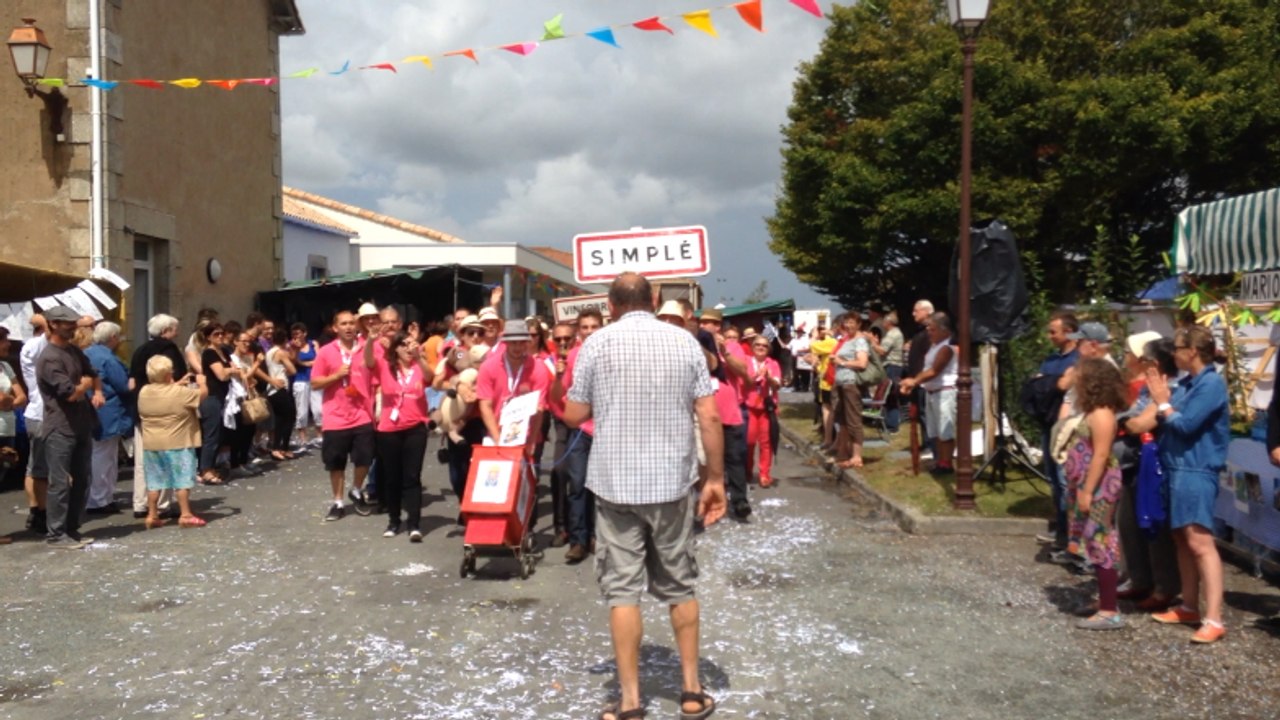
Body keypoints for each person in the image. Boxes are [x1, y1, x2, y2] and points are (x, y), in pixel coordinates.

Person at [564, 272, 725, 720]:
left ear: (611, 305)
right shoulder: (685, 342)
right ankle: (691, 691)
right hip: (670, 483)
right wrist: (715, 478)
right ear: (653, 300)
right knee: (679, 584)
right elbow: (709, 416)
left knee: (623, 592)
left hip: (616, 484)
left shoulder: (595, 345)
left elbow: (574, 412)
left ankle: (631, 701)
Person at [1144, 326, 1230, 644]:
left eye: (1178, 347)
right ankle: (1190, 605)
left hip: (1196, 469)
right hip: (1177, 468)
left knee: (1200, 541)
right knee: (1182, 538)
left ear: (1192, 351)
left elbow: (1185, 424)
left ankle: (1215, 618)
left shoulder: (1210, 385)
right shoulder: (1188, 383)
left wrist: (1163, 404)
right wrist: (1165, 404)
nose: (1174, 353)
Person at [1117, 335, 1182, 611]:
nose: (1138, 363)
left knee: (1154, 526)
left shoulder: (1170, 387)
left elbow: (1142, 421)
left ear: (1154, 363)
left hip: (1154, 465)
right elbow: (1132, 417)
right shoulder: (1147, 389)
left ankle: (1163, 587)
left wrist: (1127, 422)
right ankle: (1139, 578)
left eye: (1143, 359)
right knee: (1129, 524)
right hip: (1134, 464)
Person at [1064, 358, 1129, 630]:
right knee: (1091, 541)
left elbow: (1101, 454)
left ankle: (1109, 609)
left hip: (1100, 485)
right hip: (1087, 483)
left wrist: (1087, 490)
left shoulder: (1102, 413)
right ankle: (1104, 599)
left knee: (1100, 540)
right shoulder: (1093, 411)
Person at [36, 305, 105, 549]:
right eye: (68, 323)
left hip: (81, 425)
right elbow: (69, 394)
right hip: (59, 427)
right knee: (59, 482)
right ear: (53, 324)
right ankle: (56, 533)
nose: (74, 326)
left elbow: (92, 373)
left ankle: (72, 527)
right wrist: (85, 386)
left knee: (83, 478)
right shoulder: (49, 358)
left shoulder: (74, 352)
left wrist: (95, 389)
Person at [311, 310, 376, 521]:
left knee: (365, 457)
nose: (348, 327)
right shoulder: (326, 352)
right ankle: (338, 503)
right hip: (335, 416)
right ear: (335, 327)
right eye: (343, 324)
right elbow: (314, 383)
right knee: (336, 462)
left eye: (351, 323)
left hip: (362, 413)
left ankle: (356, 490)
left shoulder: (365, 348)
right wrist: (336, 376)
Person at [371, 331, 433, 541]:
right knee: (392, 478)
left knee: (412, 477)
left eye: (412, 344)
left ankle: (414, 524)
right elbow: (369, 360)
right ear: (395, 349)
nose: (408, 348)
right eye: (404, 345)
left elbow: (430, 378)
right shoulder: (385, 366)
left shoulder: (418, 366)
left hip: (415, 427)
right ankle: (394, 520)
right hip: (389, 429)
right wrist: (371, 340)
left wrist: (420, 358)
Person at [137, 355, 208, 529]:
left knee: (154, 481)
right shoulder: (180, 393)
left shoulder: (144, 391)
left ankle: (152, 515)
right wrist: (202, 382)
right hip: (178, 441)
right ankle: (185, 514)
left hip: (152, 443)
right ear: (169, 374)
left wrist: (176, 383)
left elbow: (163, 392)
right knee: (182, 479)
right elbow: (201, 396)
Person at [128, 314, 187, 519]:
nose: (177, 333)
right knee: (165, 456)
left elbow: (132, 382)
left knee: (142, 459)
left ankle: (140, 502)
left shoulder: (139, 350)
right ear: (166, 331)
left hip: (142, 407)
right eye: (175, 329)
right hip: (165, 410)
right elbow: (178, 378)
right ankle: (162, 504)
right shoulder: (169, 350)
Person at [1031, 312, 1080, 553]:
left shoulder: (1078, 358)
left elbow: (1062, 386)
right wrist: (1050, 382)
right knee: (1053, 478)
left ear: (1069, 332)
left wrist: (1050, 382)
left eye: (1054, 331)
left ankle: (1070, 534)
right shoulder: (1051, 359)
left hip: (1069, 426)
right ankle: (1060, 526)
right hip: (1048, 422)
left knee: (1065, 478)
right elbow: (1040, 385)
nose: (1050, 336)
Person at [558, 307, 604, 562]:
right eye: (584, 327)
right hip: (580, 430)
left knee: (601, 487)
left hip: (605, 430)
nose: (588, 332)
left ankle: (598, 536)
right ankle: (578, 539)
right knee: (576, 484)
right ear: (578, 330)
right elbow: (564, 392)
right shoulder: (573, 356)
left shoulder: (611, 352)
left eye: (593, 326)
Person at [698, 308, 752, 520]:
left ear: (718, 326)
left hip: (729, 414)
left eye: (709, 323)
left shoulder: (731, 346)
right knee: (705, 460)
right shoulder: (696, 347)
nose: (704, 327)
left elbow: (743, 371)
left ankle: (739, 501)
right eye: (701, 323)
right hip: (704, 414)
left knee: (735, 459)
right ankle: (706, 501)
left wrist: (724, 351)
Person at [84, 322, 133, 514]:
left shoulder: (87, 353)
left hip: (93, 410)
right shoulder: (107, 358)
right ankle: (99, 500)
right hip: (107, 412)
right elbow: (122, 385)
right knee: (104, 457)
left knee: (100, 455)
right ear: (112, 337)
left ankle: (102, 497)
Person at [900, 313, 957, 474]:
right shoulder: (934, 345)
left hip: (945, 391)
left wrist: (913, 381)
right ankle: (939, 460)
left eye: (932, 329)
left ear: (943, 330)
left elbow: (934, 371)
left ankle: (946, 463)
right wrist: (914, 381)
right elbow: (926, 370)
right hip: (931, 391)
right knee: (934, 430)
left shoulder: (947, 346)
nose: (929, 333)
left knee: (945, 430)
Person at [546, 320, 578, 547]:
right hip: (561, 421)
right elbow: (552, 396)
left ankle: (584, 530)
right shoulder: (547, 363)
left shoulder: (583, 357)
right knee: (558, 470)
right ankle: (560, 526)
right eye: (558, 339)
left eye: (567, 338)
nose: (563, 343)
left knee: (582, 476)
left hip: (585, 421)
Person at [20, 313, 49, 535]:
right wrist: (44, 320)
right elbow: (49, 335)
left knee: (36, 466)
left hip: (39, 412)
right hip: (39, 413)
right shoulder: (32, 346)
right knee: (39, 467)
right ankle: (40, 511)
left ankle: (38, 510)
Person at [831, 313, 871, 469]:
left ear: (859, 324)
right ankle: (843, 452)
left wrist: (841, 361)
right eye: (846, 323)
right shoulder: (848, 340)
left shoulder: (860, 341)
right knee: (842, 420)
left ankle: (857, 456)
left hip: (851, 384)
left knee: (853, 420)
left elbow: (862, 363)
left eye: (851, 323)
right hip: (841, 383)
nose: (848, 326)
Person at [0, 327, 27, 544]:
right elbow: (3, 400)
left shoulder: (5, 366)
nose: (8, 345)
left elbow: (21, 397)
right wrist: (9, 400)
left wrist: (9, 400)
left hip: (6, 429)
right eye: (4, 341)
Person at [197, 322, 233, 485]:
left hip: (225, 396)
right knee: (211, 434)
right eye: (216, 334)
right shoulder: (209, 353)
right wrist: (232, 371)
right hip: (211, 396)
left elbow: (234, 368)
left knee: (221, 433)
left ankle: (212, 465)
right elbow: (221, 375)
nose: (220, 337)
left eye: (221, 333)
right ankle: (205, 470)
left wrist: (232, 370)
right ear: (208, 337)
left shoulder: (225, 351)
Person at [743, 333, 781, 487]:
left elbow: (777, 385)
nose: (760, 347)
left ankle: (764, 474)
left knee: (766, 442)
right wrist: (754, 376)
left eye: (764, 346)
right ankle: (747, 470)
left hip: (767, 408)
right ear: (752, 347)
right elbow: (742, 383)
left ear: (768, 349)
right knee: (749, 441)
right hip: (749, 406)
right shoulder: (745, 361)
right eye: (757, 344)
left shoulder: (772, 364)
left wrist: (770, 378)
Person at [262, 327, 298, 461]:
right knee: (289, 417)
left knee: (279, 419)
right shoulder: (281, 353)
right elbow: (293, 369)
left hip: (271, 389)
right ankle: (283, 447)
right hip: (280, 388)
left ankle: (276, 446)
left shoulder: (269, 352)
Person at [905, 300, 935, 453]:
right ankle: (926, 442)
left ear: (926, 311)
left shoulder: (931, 330)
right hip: (917, 377)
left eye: (916, 310)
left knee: (926, 413)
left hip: (925, 379)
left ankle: (931, 445)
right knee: (921, 412)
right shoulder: (920, 331)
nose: (913, 314)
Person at [289, 322, 322, 448]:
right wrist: (296, 350)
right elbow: (293, 361)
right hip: (300, 380)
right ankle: (303, 437)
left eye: (298, 334)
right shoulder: (290, 346)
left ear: (304, 333)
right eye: (293, 334)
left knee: (318, 409)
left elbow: (319, 360)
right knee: (301, 410)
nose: (296, 337)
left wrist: (303, 363)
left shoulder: (313, 344)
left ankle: (320, 435)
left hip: (314, 379)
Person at [807, 323, 838, 451]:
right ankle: (828, 438)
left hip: (830, 381)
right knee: (825, 410)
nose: (821, 332)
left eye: (822, 329)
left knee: (829, 410)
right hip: (825, 380)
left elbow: (812, 346)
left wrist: (814, 335)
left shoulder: (830, 342)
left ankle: (830, 439)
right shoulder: (827, 342)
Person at [879, 311, 905, 432]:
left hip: (892, 366)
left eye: (884, 321)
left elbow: (883, 350)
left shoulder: (892, 334)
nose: (882, 323)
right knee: (889, 396)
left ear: (888, 322)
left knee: (890, 395)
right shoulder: (895, 333)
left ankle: (892, 424)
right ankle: (889, 421)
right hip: (893, 366)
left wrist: (872, 342)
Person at [788, 326, 811, 393]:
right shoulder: (793, 340)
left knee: (805, 373)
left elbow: (808, 349)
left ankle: (805, 387)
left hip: (802, 357)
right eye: (798, 332)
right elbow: (788, 347)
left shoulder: (805, 340)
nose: (799, 333)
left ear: (802, 333)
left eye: (800, 332)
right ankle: (796, 387)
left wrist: (800, 350)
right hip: (794, 357)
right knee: (795, 373)